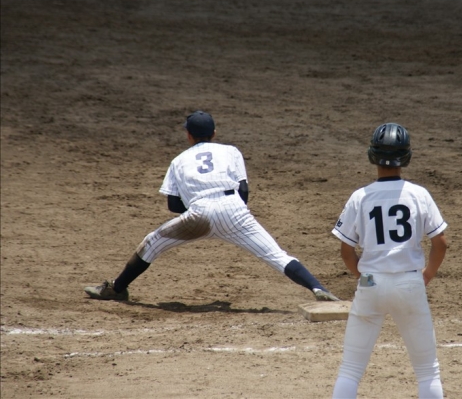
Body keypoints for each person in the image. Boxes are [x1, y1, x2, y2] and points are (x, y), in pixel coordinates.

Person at [84, 110, 340, 303]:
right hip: (235, 211)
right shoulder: (230, 151)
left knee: (151, 243)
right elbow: (243, 190)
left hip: (198, 215)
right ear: (214, 133)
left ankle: (117, 288)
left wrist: (200, 214)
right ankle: (318, 288)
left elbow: (173, 204)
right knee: (276, 255)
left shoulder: (178, 160)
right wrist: (231, 217)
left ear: (188, 135)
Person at [331, 123, 448, 399]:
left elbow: (346, 251)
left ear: (372, 155)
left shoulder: (360, 197)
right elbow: (441, 243)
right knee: (428, 372)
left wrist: (363, 277)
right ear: (406, 157)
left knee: (350, 370)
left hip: (371, 284)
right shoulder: (419, 194)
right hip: (409, 283)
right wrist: (427, 275)